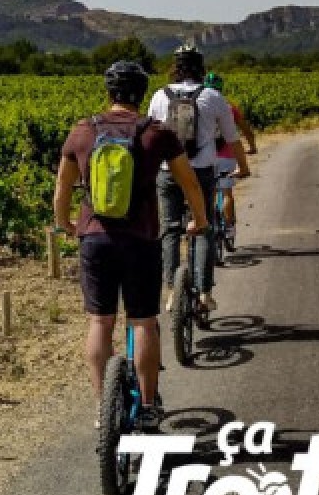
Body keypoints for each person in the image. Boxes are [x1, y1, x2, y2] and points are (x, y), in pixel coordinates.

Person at [54, 61, 209, 432]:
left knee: (99, 321)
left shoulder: (82, 131)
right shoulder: (157, 133)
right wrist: (199, 220)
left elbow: (62, 188)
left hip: (94, 238)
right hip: (140, 239)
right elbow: (188, 183)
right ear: (142, 94)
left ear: (108, 93)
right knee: (142, 322)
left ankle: (102, 408)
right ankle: (150, 405)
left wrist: (66, 224)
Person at [147, 44, 251, 314]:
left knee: (169, 230)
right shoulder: (213, 97)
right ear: (200, 69)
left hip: (168, 172)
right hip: (201, 172)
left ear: (175, 68)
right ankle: (204, 293)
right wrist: (243, 167)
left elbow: (148, 139)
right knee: (203, 227)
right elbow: (232, 138)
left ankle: (171, 291)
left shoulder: (160, 96)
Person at [204, 71, 258, 247]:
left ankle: (209, 227)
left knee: (209, 194)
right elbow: (246, 130)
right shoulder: (228, 107)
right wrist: (252, 147)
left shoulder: (200, 104)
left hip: (206, 156)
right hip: (227, 156)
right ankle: (228, 228)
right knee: (227, 193)